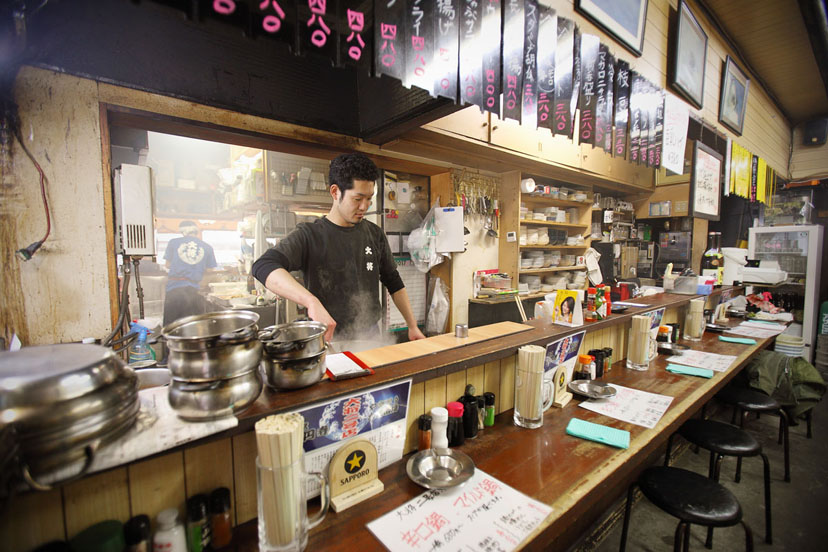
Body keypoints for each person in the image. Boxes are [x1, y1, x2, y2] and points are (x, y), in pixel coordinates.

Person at [252, 153, 426, 343]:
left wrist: (412, 325)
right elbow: (263, 265)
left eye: (369, 199)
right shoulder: (310, 235)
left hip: (370, 335)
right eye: (358, 198)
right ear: (335, 192)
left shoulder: (374, 234)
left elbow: (393, 281)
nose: (364, 206)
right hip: (327, 337)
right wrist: (311, 302)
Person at [163, 220, 217, 327]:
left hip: (174, 289)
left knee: (171, 326)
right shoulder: (207, 247)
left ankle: (168, 343)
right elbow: (210, 271)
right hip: (193, 291)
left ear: (182, 232)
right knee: (190, 326)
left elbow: (168, 265)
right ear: (196, 231)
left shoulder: (173, 242)